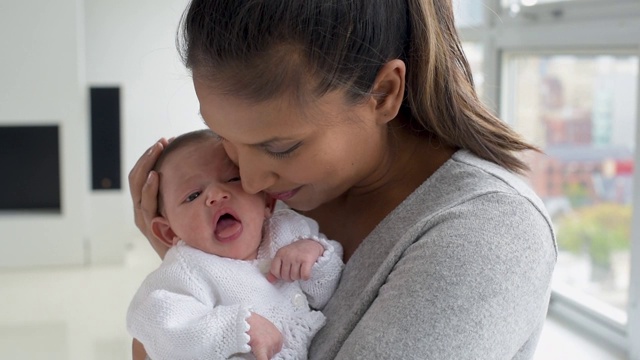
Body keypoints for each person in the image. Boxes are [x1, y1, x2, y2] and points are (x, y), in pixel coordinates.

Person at [128, 0, 557, 359]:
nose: (252, 181)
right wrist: (192, 261)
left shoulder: (486, 234)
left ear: (384, 93)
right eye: (226, 139)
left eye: (280, 148)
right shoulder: (275, 197)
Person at [127, 130, 344, 360]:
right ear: (169, 231)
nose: (216, 194)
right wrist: (236, 328)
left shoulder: (289, 231)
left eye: (232, 179)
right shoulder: (186, 269)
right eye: (192, 195)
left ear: (268, 201)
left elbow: (324, 292)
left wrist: (314, 254)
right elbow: (156, 323)